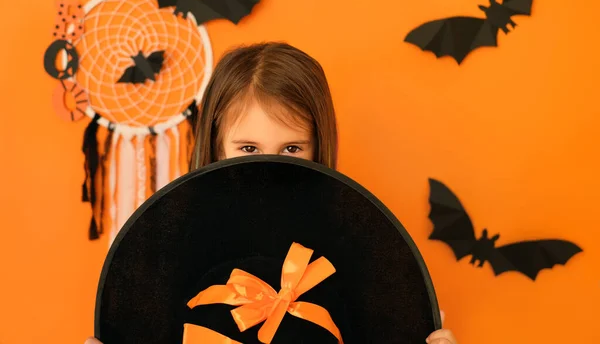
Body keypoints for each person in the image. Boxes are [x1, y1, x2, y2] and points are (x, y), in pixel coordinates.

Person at [84, 42, 458, 344]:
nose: (268, 167)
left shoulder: (358, 254)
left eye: (292, 148)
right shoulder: (168, 249)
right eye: (248, 148)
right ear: (216, 147)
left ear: (317, 145)